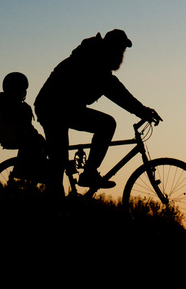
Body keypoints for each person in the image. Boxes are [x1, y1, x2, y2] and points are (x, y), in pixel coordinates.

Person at [34, 29, 161, 198]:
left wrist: (141, 110)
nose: (122, 56)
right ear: (112, 49)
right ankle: (83, 179)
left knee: (64, 157)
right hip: (53, 109)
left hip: (65, 108)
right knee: (104, 126)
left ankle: (76, 186)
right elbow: (115, 91)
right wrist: (141, 111)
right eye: (121, 51)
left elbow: (114, 88)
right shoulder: (93, 61)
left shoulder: (96, 59)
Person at [0, 72, 46, 174]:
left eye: (23, 90)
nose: (22, 93)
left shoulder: (16, 106)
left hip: (25, 136)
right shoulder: (14, 107)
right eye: (19, 90)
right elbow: (21, 126)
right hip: (23, 136)